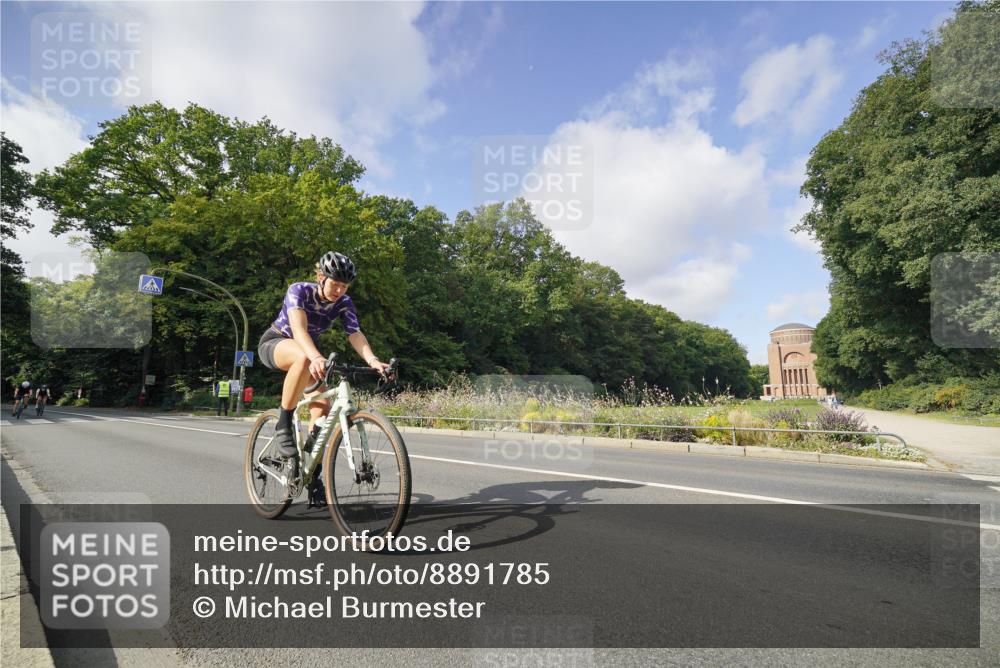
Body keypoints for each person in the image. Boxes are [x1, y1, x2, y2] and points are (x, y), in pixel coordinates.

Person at [257, 251, 390, 462]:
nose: (339, 290)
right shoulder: (298, 290)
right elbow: (299, 330)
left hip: (309, 350)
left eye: (344, 286)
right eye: (335, 284)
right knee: (304, 358)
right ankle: (283, 424)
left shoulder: (344, 302)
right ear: (321, 277)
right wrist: (317, 357)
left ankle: (312, 471)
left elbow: (354, 333)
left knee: (322, 413)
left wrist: (373, 361)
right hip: (277, 341)